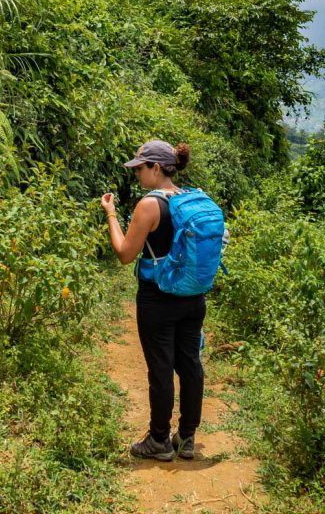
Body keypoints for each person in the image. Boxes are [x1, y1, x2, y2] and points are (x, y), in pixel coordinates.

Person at [100, 140, 202, 462]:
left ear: (156, 168)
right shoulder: (191, 199)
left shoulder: (150, 205)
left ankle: (159, 440)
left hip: (158, 299)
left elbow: (125, 254)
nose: (138, 175)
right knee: (189, 364)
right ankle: (186, 439)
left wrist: (112, 215)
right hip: (193, 296)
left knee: (160, 367)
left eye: (141, 168)